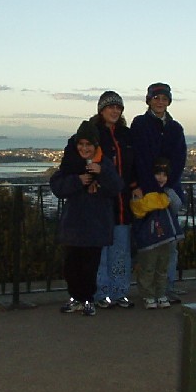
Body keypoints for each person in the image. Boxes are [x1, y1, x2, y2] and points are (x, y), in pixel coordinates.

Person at [61, 91, 136, 309]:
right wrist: (87, 179)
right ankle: (101, 293)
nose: (114, 111)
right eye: (110, 107)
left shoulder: (126, 135)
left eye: (118, 108)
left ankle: (119, 292)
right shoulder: (93, 133)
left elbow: (134, 164)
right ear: (101, 110)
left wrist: (135, 185)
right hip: (99, 203)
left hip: (122, 201)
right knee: (100, 253)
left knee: (121, 250)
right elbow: (73, 157)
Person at [50, 120, 124, 316]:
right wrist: (77, 181)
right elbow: (57, 187)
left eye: (88, 145)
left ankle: (88, 299)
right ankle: (75, 298)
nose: (84, 148)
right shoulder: (71, 163)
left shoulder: (104, 163)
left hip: (96, 224)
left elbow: (117, 187)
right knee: (71, 266)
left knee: (90, 266)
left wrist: (103, 172)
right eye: (81, 144)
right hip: (74, 224)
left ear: (95, 146)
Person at [130, 82, 187, 302]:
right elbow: (138, 158)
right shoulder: (140, 124)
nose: (160, 102)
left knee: (169, 244)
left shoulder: (175, 128)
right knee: (147, 243)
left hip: (168, 191)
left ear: (169, 101)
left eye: (164, 98)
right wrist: (145, 185)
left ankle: (165, 288)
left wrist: (167, 185)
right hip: (146, 191)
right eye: (156, 98)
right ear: (149, 100)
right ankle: (149, 292)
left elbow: (179, 160)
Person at [130, 157, 183, 308]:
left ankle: (161, 293)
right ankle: (148, 295)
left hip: (165, 237)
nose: (161, 178)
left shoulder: (168, 192)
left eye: (164, 175)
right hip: (149, 238)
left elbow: (177, 206)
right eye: (158, 174)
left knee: (162, 267)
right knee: (148, 267)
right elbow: (139, 210)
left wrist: (167, 194)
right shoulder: (144, 191)